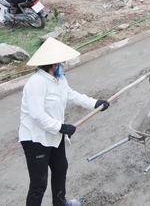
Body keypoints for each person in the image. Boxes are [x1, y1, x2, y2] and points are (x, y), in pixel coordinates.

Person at [19, 38, 110, 206]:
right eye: (61, 61)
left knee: (60, 169)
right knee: (39, 184)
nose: (64, 62)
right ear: (52, 63)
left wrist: (94, 103)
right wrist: (61, 127)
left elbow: (71, 95)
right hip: (36, 139)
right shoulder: (37, 82)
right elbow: (37, 115)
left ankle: (60, 203)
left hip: (55, 136)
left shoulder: (59, 79)